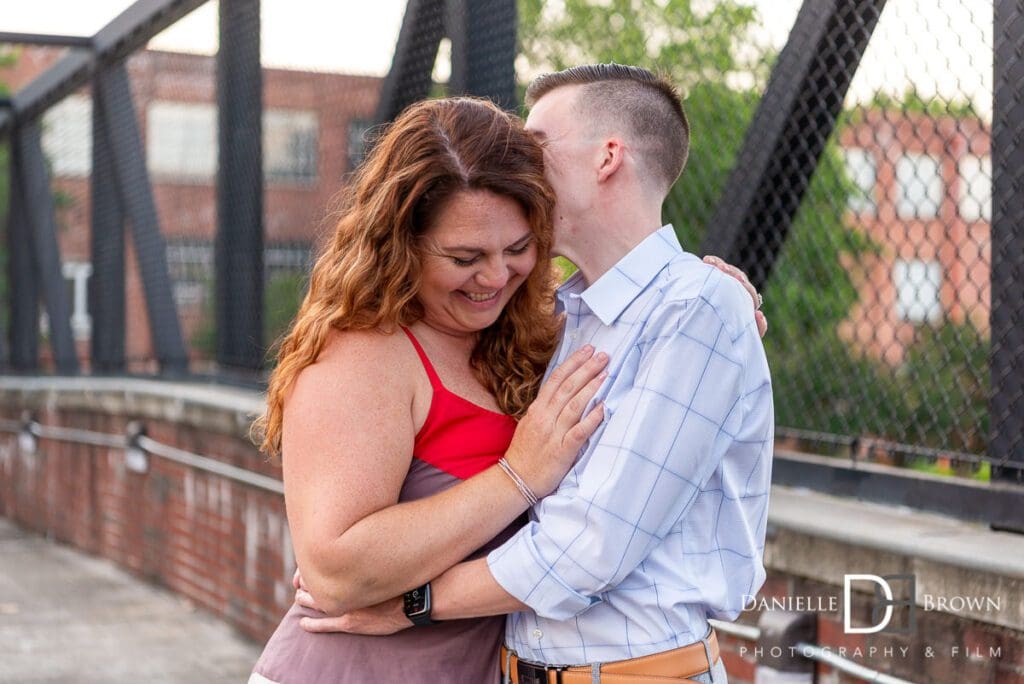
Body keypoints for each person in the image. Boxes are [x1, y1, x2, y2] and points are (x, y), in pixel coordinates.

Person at [298, 64, 774, 684]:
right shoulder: (560, 314)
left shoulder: (696, 306)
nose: (519, 159)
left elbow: (587, 547)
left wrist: (413, 602)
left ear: (607, 157)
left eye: (538, 143)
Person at [248, 96, 612, 683]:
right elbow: (334, 571)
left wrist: (713, 291)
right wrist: (518, 476)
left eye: (518, 249)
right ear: (401, 243)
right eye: (465, 257)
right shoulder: (366, 352)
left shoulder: (531, 330)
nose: (495, 277)